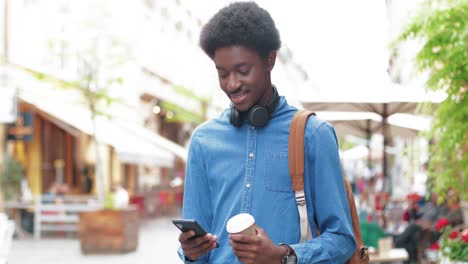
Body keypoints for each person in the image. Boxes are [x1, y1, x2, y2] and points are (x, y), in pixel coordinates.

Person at [177, 2, 356, 263]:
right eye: (222, 73)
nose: (232, 84)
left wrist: (282, 256)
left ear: (270, 60)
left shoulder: (314, 135)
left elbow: (343, 239)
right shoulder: (203, 141)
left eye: (242, 71)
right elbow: (196, 249)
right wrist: (190, 253)